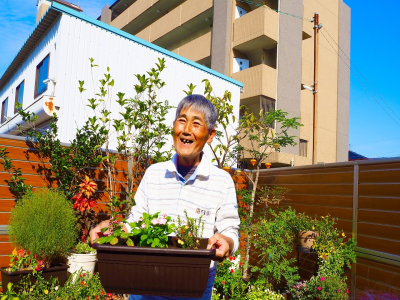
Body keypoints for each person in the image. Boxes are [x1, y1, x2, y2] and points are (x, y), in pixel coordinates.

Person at [89, 94, 240, 300]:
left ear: (211, 134)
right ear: (174, 126)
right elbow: (137, 222)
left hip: (193, 289)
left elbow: (229, 230)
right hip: (145, 286)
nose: (186, 130)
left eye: (196, 124)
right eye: (182, 120)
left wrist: (227, 242)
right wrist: (114, 229)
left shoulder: (221, 181)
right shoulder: (154, 173)